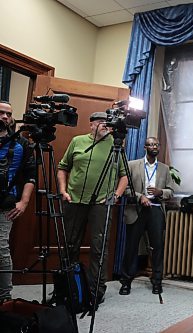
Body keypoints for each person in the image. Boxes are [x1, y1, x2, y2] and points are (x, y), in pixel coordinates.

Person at [57, 111, 128, 304]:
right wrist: (63, 190)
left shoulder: (116, 145)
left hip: (101, 204)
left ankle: (96, 290)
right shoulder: (77, 141)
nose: (105, 125)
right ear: (91, 125)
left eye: (107, 122)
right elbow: (63, 167)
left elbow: (124, 175)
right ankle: (67, 287)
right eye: (100, 122)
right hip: (74, 200)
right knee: (70, 245)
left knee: (99, 248)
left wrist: (116, 195)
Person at [119, 137, 175, 296]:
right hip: (136, 209)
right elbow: (125, 189)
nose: (154, 146)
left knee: (157, 247)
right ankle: (126, 281)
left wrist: (160, 192)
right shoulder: (132, 165)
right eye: (151, 144)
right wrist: (139, 197)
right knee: (131, 247)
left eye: (157, 144)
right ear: (145, 147)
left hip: (156, 210)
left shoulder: (164, 169)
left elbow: (171, 191)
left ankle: (157, 281)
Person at [0, 100, 36, 301]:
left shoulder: (21, 144)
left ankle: (4, 296)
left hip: (6, 204)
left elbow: (31, 175)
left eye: (8, 114)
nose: (5, 117)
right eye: (1, 113)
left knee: (0, 249)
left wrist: (24, 202)